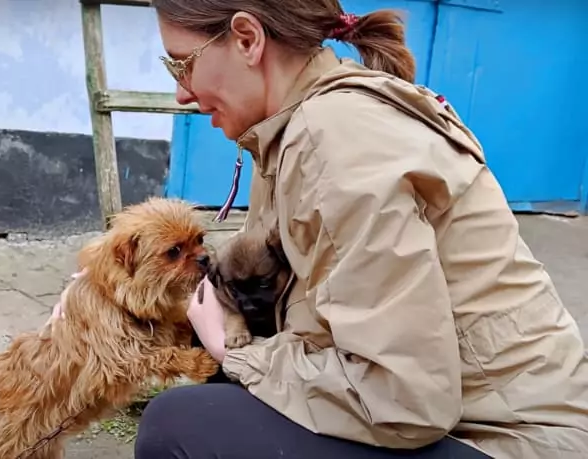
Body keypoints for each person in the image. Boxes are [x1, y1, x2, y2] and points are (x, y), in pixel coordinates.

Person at [133, 1, 588, 458]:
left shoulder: (335, 139)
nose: (181, 94)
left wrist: (237, 354)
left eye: (180, 63)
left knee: (178, 427)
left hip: (512, 439)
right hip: (463, 413)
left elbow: (404, 401)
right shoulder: (288, 130)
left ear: (247, 39)